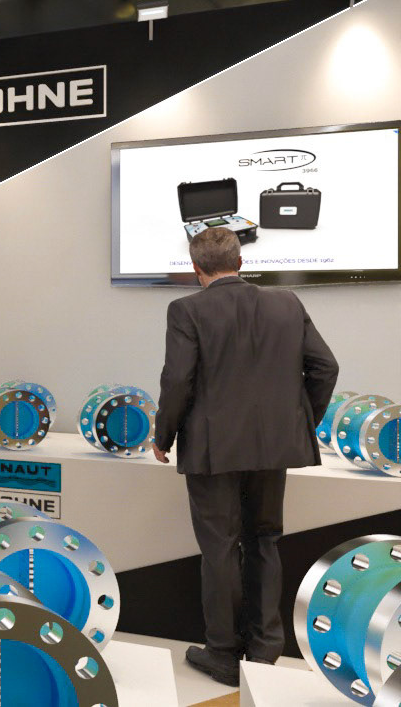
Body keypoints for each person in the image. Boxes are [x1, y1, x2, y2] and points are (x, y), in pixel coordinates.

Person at [153, 227, 339, 686]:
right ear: (240, 261)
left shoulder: (186, 309)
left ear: (196, 268)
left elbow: (178, 381)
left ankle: (222, 654)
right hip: (274, 446)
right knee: (264, 541)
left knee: (220, 548)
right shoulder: (287, 303)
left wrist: (163, 436)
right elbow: (325, 367)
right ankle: (263, 650)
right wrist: (300, 421)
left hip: (212, 449)